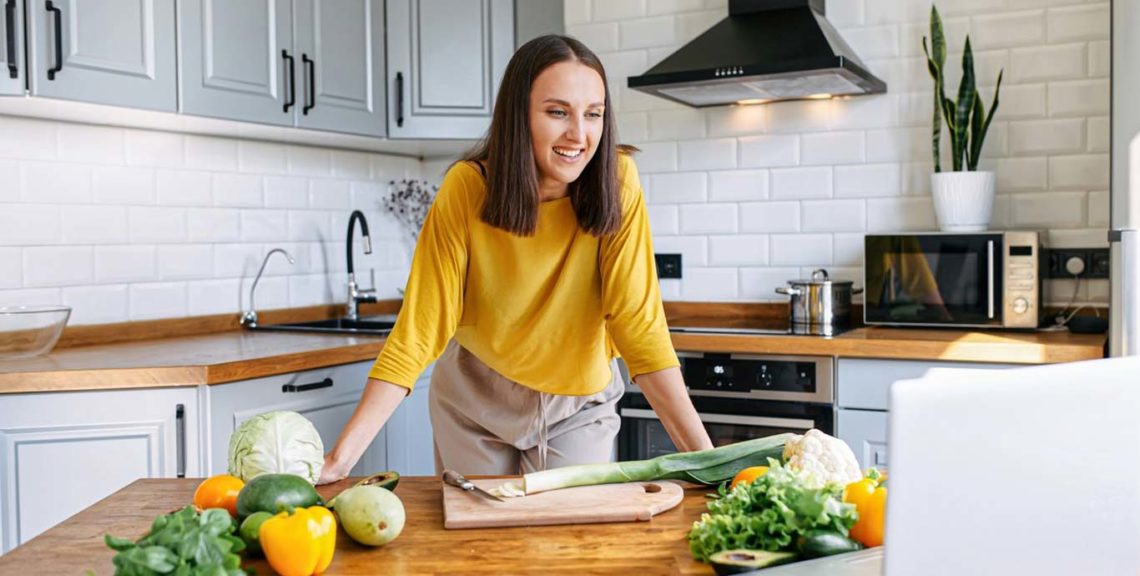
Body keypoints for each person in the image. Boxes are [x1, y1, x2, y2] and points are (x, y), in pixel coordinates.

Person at [317, 35, 712, 485]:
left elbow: (638, 324)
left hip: (577, 405)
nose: (579, 135)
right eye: (557, 112)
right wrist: (341, 459)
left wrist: (707, 461)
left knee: (567, 548)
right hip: (474, 401)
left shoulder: (617, 181)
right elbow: (420, 330)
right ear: (518, 115)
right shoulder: (467, 188)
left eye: (593, 114)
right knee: (481, 548)